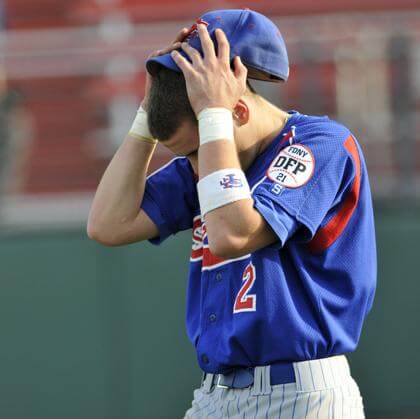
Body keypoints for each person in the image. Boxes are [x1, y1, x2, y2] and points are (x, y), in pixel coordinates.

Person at [87, 9, 376, 418]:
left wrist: (213, 120)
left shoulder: (321, 144)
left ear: (236, 112)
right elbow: (107, 224)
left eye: (193, 150)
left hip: (300, 395)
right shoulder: (211, 158)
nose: (193, 165)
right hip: (214, 395)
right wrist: (146, 117)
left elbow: (232, 235)